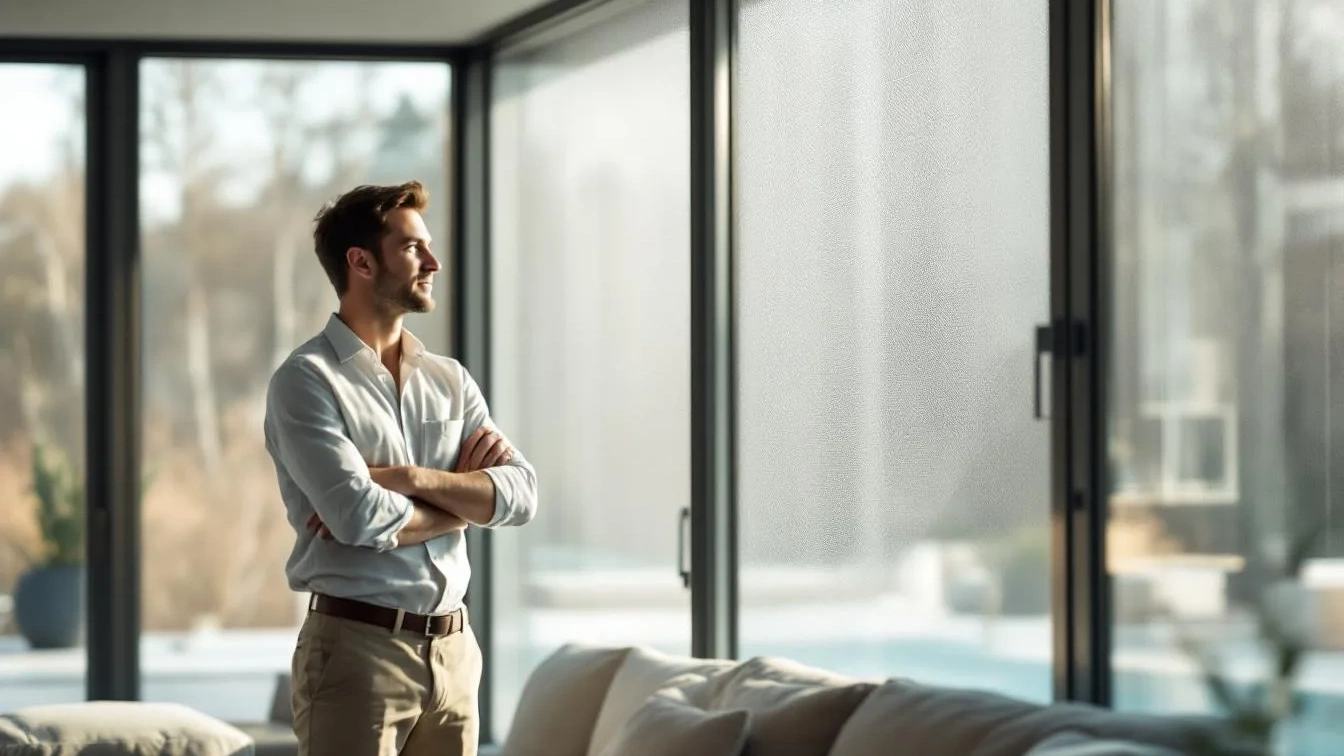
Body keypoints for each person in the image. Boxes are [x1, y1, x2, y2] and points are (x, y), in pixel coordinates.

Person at [263, 181, 537, 756]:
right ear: (360, 262)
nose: (433, 262)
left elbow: (520, 495)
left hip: (456, 656)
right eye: (413, 248)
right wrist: (464, 506)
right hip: (356, 654)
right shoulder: (306, 381)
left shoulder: (451, 380)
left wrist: (411, 480)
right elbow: (358, 517)